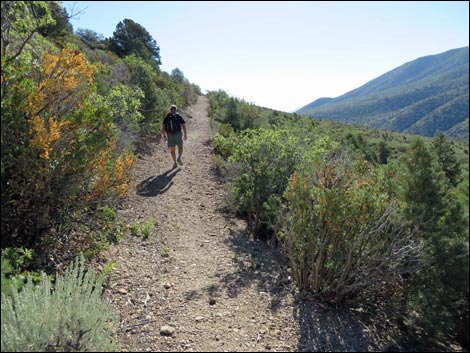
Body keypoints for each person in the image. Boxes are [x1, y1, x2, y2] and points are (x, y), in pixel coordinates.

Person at [162, 104, 187, 169]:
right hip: (178, 134)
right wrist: (185, 135)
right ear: (176, 110)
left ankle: (175, 163)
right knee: (180, 147)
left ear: (170, 110)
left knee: (172, 150)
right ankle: (179, 158)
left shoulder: (167, 117)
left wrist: (164, 136)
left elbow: (163, 127)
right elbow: (184, 126)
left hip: (170, 135)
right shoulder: (178, 116)